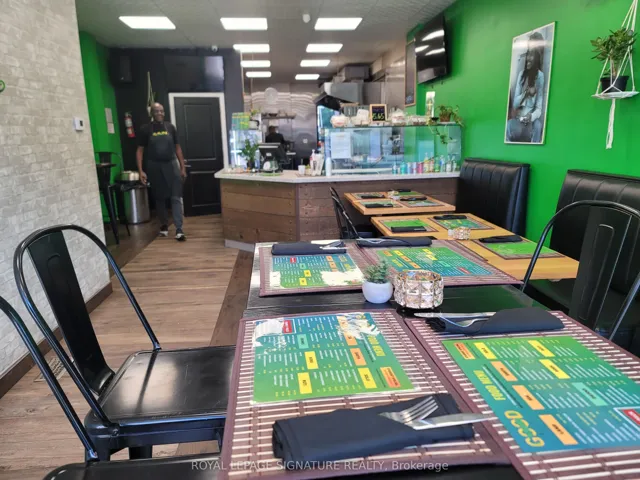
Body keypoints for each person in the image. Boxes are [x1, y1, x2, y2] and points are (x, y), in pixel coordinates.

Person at [137, 103, 188, 241]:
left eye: (161, 111)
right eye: (156, 111)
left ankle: (179, 229)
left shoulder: (170, 127)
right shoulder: (145, 129)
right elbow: (140, 151)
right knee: (159, 197)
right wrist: (141, 170)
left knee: (176, 196)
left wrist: (182, 167)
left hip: (171, 165)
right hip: (154, 166)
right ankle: (164, 226)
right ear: (152, 113)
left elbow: (178, 148)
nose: (159, 113)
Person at [507, 32, 545, 143]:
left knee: (538, 125)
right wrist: (525, 94)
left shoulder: (540, 76)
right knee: (509, 124)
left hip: (530, 121)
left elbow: (539, 109)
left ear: (537, 56)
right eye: (528, 53)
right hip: (518, 120)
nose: (528, 58)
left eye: (532, 54)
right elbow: (515, 105)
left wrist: (531, 116)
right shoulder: (521, 75)